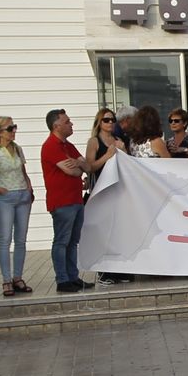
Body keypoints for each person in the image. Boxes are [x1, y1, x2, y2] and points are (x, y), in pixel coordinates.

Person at [41, 109, 90, 294]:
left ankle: (72, 276)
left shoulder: (67, 145)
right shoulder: (51, 146)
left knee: (73, 241)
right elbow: (75, 171)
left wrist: (78, 164)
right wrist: (78, 167)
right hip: (62, 202)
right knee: (62, 240)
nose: (71, 124)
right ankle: (62, 279)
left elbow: (86, 165)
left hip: (75, 199)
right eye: (67, 122)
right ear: (57, 125)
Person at [0, 116, 34, 297]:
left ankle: (18, 277)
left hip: (22, 195)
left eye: (14, 127)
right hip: (4, 197)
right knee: (5, 238)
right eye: (9, 128)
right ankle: (6, 279)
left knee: (21, 238)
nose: (13, 131)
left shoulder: (17, 149)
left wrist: (29, 187)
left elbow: (23, 171)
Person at [83, 108, 132, 285]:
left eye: (112, 120)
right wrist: (107, 156)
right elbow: (90, 166)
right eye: (106, 120)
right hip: (101, 191)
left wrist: (124, 150)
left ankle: (119, 269)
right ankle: (104, 272)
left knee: (118, 231)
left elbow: (129, 165)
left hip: (118, 191)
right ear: (99, 122)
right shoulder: (94, 142)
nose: (110, 123)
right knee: (103, 233)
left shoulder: (119, 140)